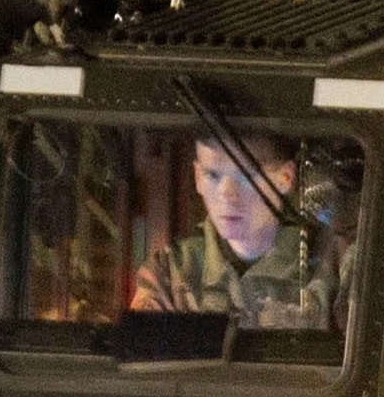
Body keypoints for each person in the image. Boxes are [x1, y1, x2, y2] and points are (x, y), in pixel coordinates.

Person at [135, 127, 350, 332]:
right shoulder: (170, 271)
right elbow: (142, 364)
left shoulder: (336, 265)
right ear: (198, 177)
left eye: (246, 175)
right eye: (213, 176)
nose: (227, 194)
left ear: (286, 178)